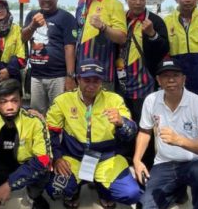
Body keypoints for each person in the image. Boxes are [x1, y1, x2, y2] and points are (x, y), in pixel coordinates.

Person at [45, 58, 141, 209]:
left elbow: (131, 133)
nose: (91, 85)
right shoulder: (63, 100)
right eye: (86, 80)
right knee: (56, 189)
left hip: (106, 158)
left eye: (96, 81)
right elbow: (51, 133)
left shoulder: (114, 99)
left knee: (131, 193)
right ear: (78, 79)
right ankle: (74, 191)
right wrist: (57, 158)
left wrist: (122, 123)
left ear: (102, 81)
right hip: (73, 157)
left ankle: (104, 191)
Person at [134, 59, 198, 209]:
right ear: (158, 80)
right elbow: (145, 132)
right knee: (145, 205)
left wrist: (179, 140)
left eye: (176, 75)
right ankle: (177, 190)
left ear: (184, 78)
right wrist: (137, 160)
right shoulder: (151, 100)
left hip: (195, 163)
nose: (171, 80)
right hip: (164, 163)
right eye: (165, 76)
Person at [0, 79, 52, 209]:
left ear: (21, 100)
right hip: (1, 167)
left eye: (14, 100)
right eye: (3, 102)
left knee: (44, 167)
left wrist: (9, 184)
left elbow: (43, 160)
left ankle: (34, 196)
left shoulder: (35, 122)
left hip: (25, 167)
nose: (10, 107)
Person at [118, 0, 169, 165]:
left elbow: (165, 49)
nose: (138, 2)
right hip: (122, 83)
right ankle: (124, 165)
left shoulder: (155, 21)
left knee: (144, 126)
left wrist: (152, 35)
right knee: (123, 125)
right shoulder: (121, 20)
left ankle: (145, 166)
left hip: (145, 84)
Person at [21, 0, 77, 113]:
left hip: (58, 77)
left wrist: (70, 77)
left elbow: (70, 48)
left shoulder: (66, 17)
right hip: (36, 76)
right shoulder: (32, 15)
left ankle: (57, 135)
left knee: (59, 114)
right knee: (36, 115)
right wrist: (33, 25)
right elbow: (23, 37)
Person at [75, 0, 126, 91]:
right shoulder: (81, 6)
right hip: (82, 74)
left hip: (103, 75)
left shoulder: (114, 4)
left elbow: (122, 38)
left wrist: (103, 27)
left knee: (104, 111)